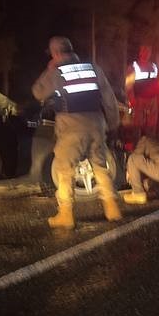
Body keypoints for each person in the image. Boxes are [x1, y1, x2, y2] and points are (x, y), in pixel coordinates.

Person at [31, 36, 122, 229]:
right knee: (99, 165)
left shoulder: (57, 72)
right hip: (96, 125)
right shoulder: (93, 68)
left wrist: (49, 69)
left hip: (71, 128)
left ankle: (66, 215)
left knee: (66, 170)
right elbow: (109, 98)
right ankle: (112, 208)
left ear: (55, 54)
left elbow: (38, 92)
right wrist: (112, 123)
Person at [127, 45, 159, 136]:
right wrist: (132, 99)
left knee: (152, 124)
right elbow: (129, 85)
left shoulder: (154, 66)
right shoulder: (133, 67)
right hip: (139, 99)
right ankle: (137, 145)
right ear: (140, 53)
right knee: (137, 124)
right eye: (144, 51)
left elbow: (157, 82)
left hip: (152, 99)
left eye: (148, 51)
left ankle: (150, 144)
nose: (146, 53)